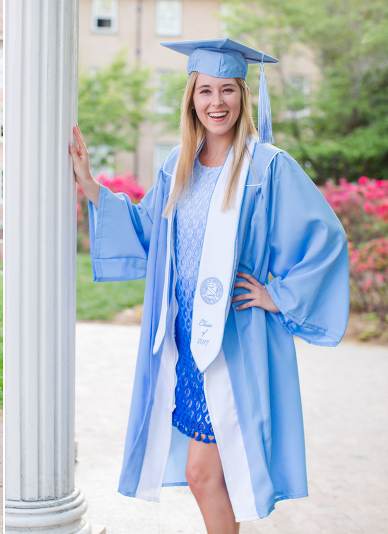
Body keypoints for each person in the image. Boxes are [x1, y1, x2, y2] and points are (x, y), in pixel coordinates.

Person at [69, 39, 349, 532]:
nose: (216, 103)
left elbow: (324, 239)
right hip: (185, 340)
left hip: (233, 340)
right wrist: (92, 187)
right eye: (204, 91)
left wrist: (276, 294)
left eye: (227, 90)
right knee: (206, 473)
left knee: (203, 472)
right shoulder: (178, 165)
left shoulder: (267, 168)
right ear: (190, 98)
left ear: (242, 96)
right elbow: (149, 232)